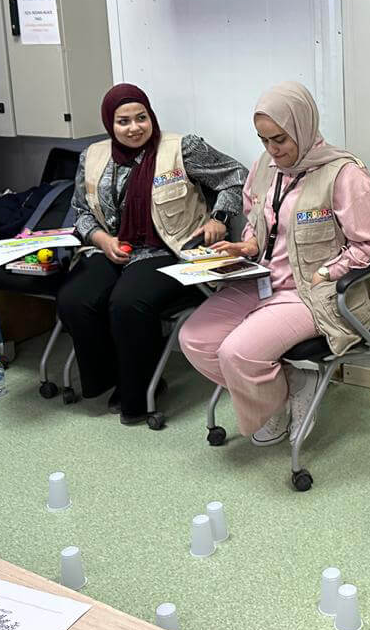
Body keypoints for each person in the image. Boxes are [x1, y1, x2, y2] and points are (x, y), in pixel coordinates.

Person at [179, 82, 370, 447]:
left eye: (280, 140)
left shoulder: (344, 174)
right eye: (263, 141)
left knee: (237, 353)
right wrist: (247, 245)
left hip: (311, 291)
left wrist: (329, 272)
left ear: (303, 127)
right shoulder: (265, 167)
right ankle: (291, 386)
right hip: (262, 281)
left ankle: (272, 401)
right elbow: (256, 220)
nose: (272, 151)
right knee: (195, 339)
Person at [57, 83, 246, 425]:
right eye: (123, 122)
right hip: (114, 246)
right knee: (75, 298)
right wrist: (102, 240)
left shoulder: (182, 148)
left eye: (141, 118)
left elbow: (236, 178)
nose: (134, 128)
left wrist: (219, 218)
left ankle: (140, 393)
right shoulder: (93, 156)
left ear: (151, 116)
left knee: (128, 302)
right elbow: (80, 210)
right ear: (109, 125)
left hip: (171, 248)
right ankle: (110, 378)